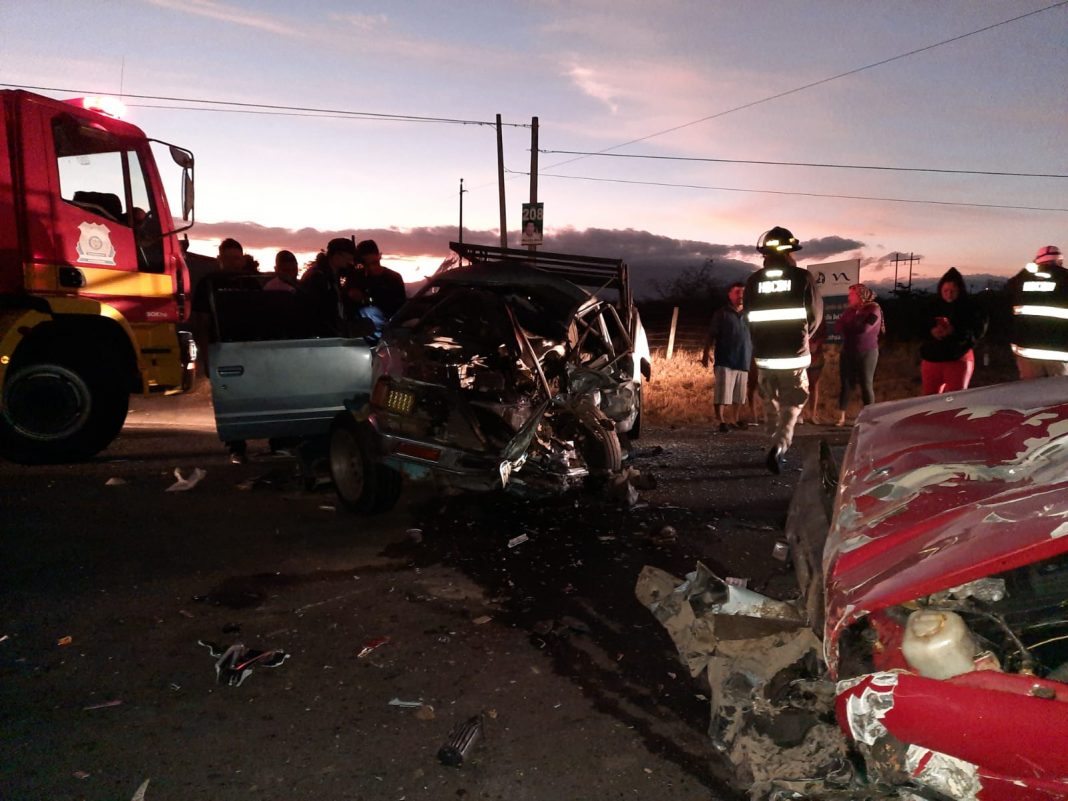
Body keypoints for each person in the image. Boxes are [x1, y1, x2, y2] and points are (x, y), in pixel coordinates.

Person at [744, 226, 823, 475]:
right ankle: (779, 446)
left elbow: (748, 317)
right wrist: (802, 337)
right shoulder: (802, 278)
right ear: (790, 252)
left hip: (765, 355)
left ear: (765, 252)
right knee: (792, 403)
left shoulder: (754, 281)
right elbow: (815, 316)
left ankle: (772, 439)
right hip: (793, 354)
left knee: (769, 399)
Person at [190, 237, 259, 463]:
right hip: (222, 348)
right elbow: (201, 322)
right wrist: (206, 354)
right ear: (220, 259)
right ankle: (237, 447)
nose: (234, 263)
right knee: (230, 399)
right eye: (229, 259)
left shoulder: (251, 282)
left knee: (259, 394)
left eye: (237, 258)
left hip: (251, 348)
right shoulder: (208, 284)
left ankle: (277, 442)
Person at [920, 267, 983, 395]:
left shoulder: (970, 309)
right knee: (929, 400)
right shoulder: (932, 306)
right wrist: (932, 331)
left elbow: (976, 332)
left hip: (958, 360)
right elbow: (918, 326)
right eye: (946, 290)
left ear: (960, 291)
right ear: (940, 290)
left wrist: (954, 331)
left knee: (954, 400)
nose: (949, 294)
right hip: (932, 359)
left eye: (952, 291)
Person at [1008, 245, 1068, 379]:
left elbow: (1006, 302)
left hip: (1027, 352)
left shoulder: (1021, 280)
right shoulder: (1065, 278)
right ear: (1059, 261)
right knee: (1058, 397)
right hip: (1060, 354)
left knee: (1032, 395)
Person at [701, 282, 752, 432]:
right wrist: (706, 353)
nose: (740, 295)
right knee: (722, 391)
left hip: (743, 358)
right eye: (737, 292)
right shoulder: (721, 313)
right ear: (730, 295)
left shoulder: (749, 314)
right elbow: (711, 334)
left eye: (743, 292)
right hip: (725, 358)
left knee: (739, 393)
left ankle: (734, 419)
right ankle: (720, 420)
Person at [834, 283, 883, 425]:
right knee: (846, 384)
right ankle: (841, 417)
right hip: (848, 351)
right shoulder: (849, 311)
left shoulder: (873, 309)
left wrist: (847, 326)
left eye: (852, 295)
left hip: (867, 352)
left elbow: (865, 329)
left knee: (866, 383)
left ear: (860, 295)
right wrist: (851, 325)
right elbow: (837, 326)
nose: (849, 297)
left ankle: (870, 416)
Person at [300, 237, 359, 333]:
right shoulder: (317, 277)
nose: (350, 263)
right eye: (348, 258)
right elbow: (318, 312)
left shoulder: (332, 276)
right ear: (336, 255)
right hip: (323, 334)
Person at [348, 239, 407, 318]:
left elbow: (400, 306)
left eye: (374, 263)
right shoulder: (356, 278)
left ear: (379, 256)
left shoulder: (394, 277)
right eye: (366, 264)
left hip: (390, 323)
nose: (371, 268)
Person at [801, 319, 827, 425]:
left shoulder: (819, 317)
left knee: (814, 385)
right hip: (802, 353)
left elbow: (824, 334)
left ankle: (812, 414)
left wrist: (816, 343)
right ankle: (799, 414)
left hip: (815, 355)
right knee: (801, 384)